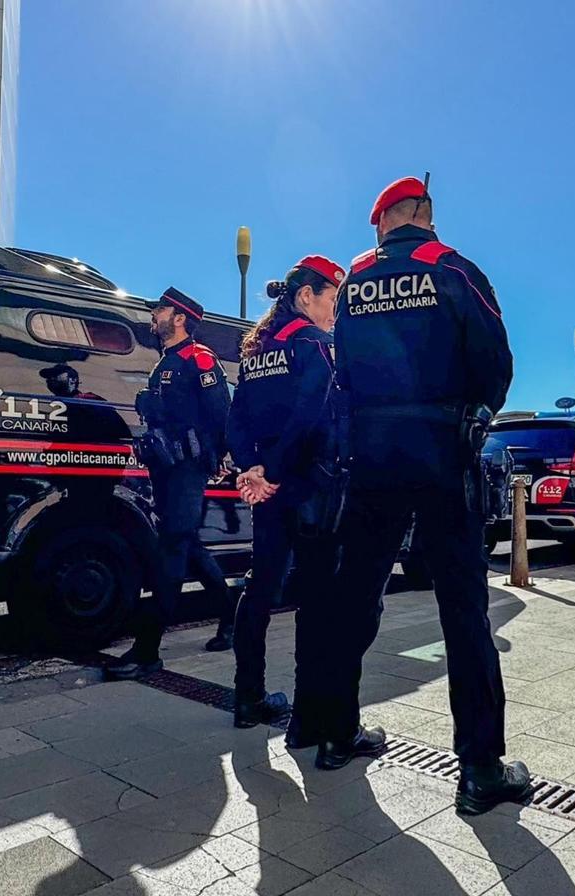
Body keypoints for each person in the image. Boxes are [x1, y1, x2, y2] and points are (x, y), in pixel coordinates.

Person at [323, 175, 531, 816]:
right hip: (443, 451)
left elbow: (343, 367)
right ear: (427, 216)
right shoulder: (455, 269)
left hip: (374, 453)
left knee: (354, 592)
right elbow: (496, 361)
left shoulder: (354, 281)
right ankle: (479, 769)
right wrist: (472, 411)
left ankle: (335, 733)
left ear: (390, 216)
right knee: (463, 606)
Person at [225, 255, 345, 737]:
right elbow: (310, 414)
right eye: (332, 298)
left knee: (260, 587)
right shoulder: (313, 344)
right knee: (316, 595)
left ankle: (247, 699)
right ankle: (307, 718)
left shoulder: (256, 354)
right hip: (306, 485)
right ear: (305, 297)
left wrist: (251, 469)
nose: (335, 310)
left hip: (267, 489)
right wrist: (272, 470)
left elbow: (235, 421)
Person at [105, 288, 236, 680]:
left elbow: (222, 414)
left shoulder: (200, 358)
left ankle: (148, 651)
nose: (154, 315)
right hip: (165, 468)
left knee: (173, 549)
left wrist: (219, 458)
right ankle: (231, 616)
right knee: (188, 546)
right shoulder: (166, 362)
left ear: (179, 318)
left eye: (160, 310)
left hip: (187, 469)